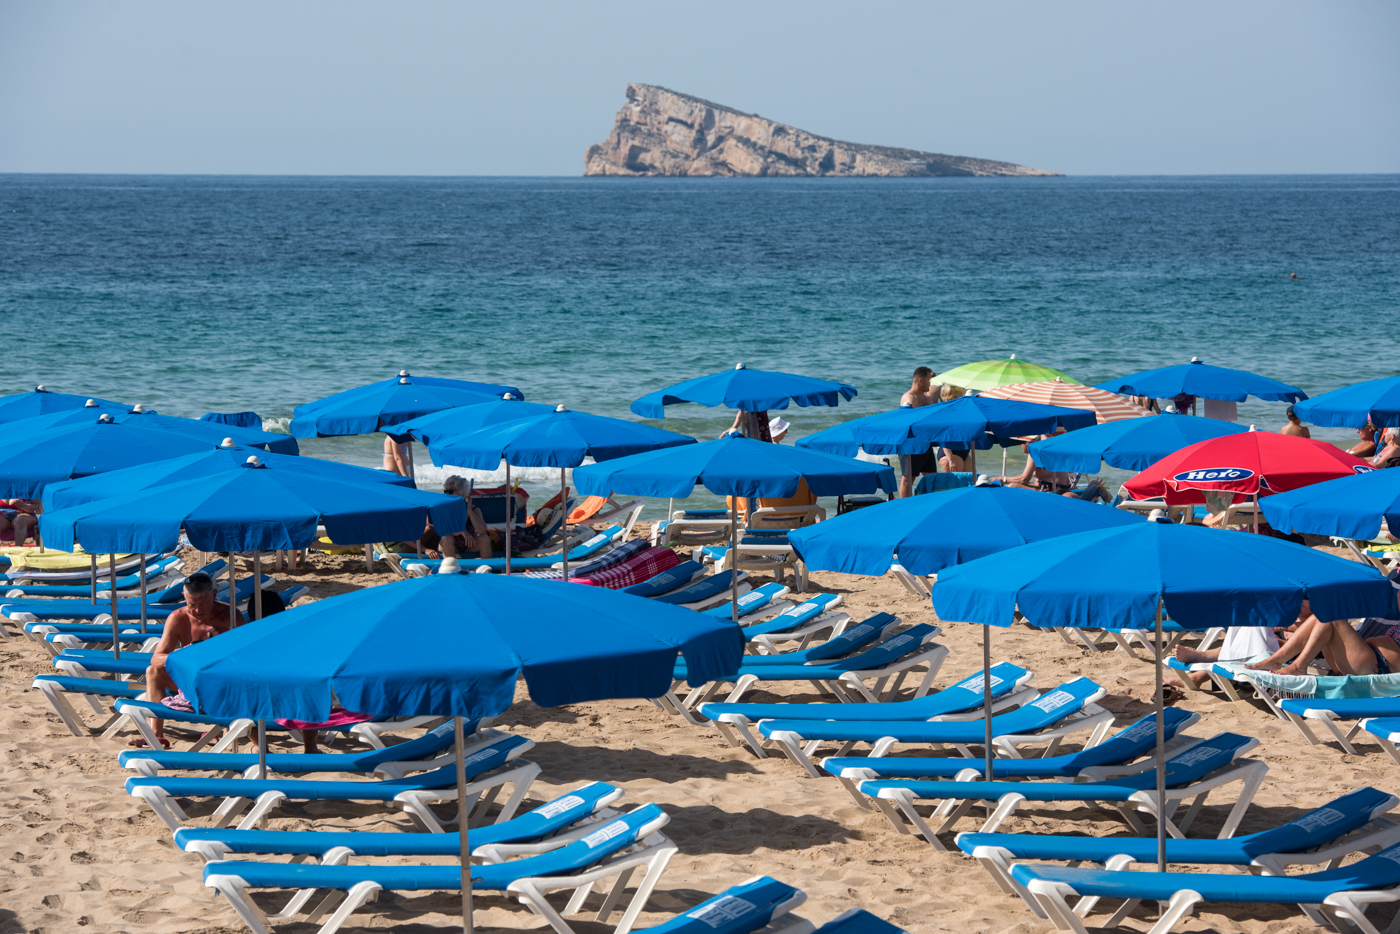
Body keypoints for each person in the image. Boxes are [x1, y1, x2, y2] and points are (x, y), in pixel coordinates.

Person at [138, 573, 244, 749]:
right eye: (191, 604)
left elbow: (245, 657)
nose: (197, 610)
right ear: (184, 597)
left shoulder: (231, 617)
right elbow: (157, 658)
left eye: (203, 604)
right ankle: (156, 735)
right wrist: (187, 657)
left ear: (215, 595)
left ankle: (227, 733)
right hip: (187, 679)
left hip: (221, 681)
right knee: (153, 671)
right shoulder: (178, 618)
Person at [1246, 585, 1400, 677]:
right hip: (1357, 660)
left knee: (1331, 616)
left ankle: (1297, 666)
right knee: (1322, 616)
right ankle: (1277, 660)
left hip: (1377, 668)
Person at [421, 476, 494, 564]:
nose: (447, 494)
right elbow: (446, 530)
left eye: (450, 491)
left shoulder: (474, 509)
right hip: (449, 546)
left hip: (468, 546)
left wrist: (468, 509)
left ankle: (487, 571)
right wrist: (463, 532)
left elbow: (482, 530)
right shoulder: (444, 508)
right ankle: (451, 572)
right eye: (445, 491)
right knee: (447, 538)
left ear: (462, 493)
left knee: (484, 539)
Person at [897, 367, 941, 498]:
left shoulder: (927, 399)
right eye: (929, 380)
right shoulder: (909, 398)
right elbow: (907, 423)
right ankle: (904, 505)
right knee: (908, 479)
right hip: (910, 445)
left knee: (932, 477)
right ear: (921, 380)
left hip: (925, 444)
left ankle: (928, 503)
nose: (930, 384)